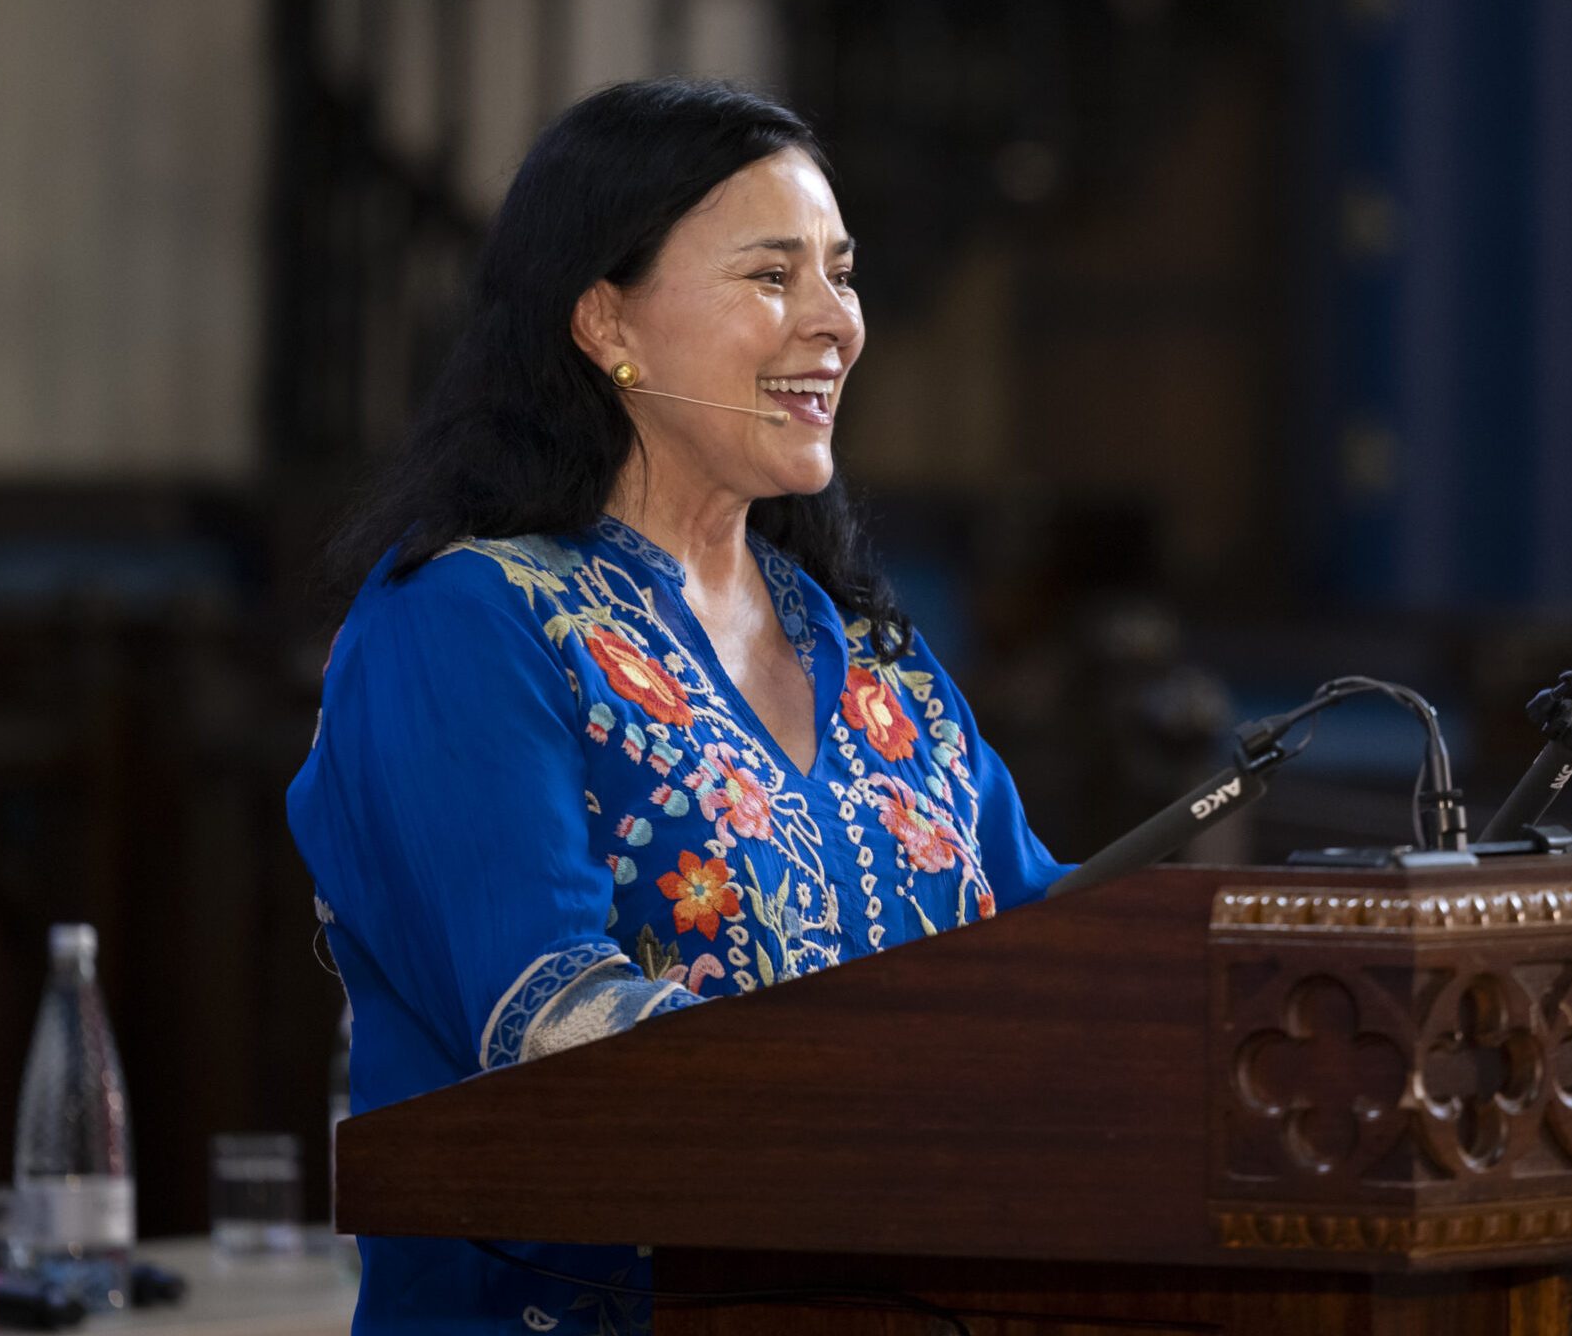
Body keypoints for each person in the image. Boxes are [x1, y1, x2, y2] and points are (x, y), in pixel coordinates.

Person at [286, 79, 1066, 1332]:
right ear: (606, 323)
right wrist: (900, 1107)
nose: (836, 323)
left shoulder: (863, 643)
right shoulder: (462, 624)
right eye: (772, 275)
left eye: (842, 273)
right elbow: (555, 1017)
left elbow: (1041, 948)